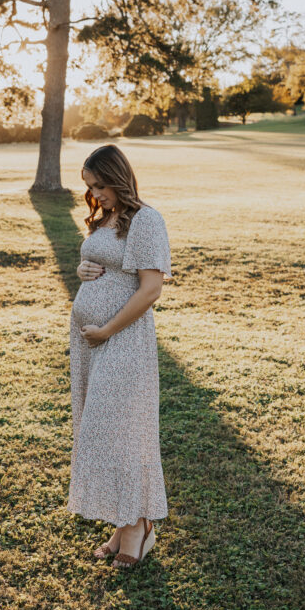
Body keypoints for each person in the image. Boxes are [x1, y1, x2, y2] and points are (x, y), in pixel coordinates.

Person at [67, 144, 172, 568]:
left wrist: (107, 329)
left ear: (118, 176)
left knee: (121, 432)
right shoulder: (107, 218)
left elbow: (151, 289)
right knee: (102, 431)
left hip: (122, 341)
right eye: (90, 187)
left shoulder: (147, 220)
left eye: (100, 185)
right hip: (91, 343)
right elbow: (101, 261)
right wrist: (83, 270)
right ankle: (123, 522)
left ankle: (138, 529)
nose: (95, 194)